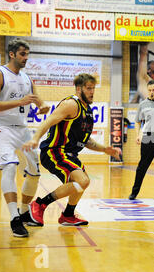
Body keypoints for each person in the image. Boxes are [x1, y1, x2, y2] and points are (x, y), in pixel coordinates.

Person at [22, 73, 121, 227]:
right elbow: (48, 121)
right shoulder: (71, 104)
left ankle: (68, 215)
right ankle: (40, 204)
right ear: (78, 89)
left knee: (82, 182)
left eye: (93, 88)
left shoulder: (87, 110)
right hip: (54, 151)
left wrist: (104, 150)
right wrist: (35, 138)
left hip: (69, 154)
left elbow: (86, 140)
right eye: (88, 88)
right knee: (83, 181)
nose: (92, 92)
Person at [0, 38, 50, 238]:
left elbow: (37, 99)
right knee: (11, 166)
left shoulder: (27, 78)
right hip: (1, 126)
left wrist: (42, 107)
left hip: (21, 128)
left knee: (34, 172)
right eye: (23, 54)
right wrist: (19, 102)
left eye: (27, 55)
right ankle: (14, 218)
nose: (26, 58)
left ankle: (23, 212)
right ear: (12, 54)